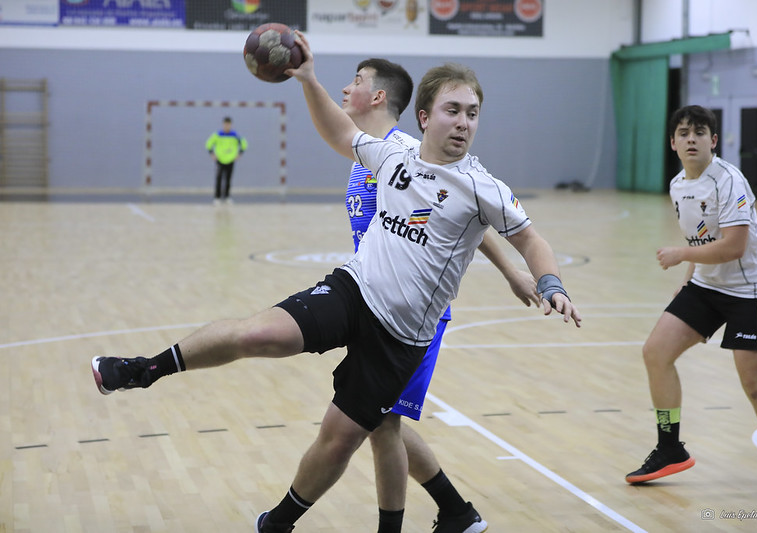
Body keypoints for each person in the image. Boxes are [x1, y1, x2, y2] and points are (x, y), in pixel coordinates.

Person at [91, 32, 581, 533]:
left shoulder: (482, 187)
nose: (463, 122)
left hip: (403, 334)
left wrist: (548, 283)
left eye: (472, 113)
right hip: (354, 290)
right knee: (260, 334)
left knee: (353, 434)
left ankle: (285, 523)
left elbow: (528, 238)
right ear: (425, 117)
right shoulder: (392, 156)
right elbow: (339, 132)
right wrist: (307, 79)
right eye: (453, 110)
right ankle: (145, 369)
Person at [341, 57, 541, 533]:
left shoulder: (409, 149)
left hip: (412, 313)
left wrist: (512, 271)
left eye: (356, 81)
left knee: (379, 421)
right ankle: (456, 512)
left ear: (378, 96)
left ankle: (451, 513)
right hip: (375, 302)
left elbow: (468, 210)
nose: (346, 89)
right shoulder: (367, 152)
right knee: (378, 420)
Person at [624, 105, 757, 501]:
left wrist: (682, 256)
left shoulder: (729, 180)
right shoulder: (678, 185)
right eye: (683, 133)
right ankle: (670, 448)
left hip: (749, 289)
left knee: (755, 384)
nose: (691, 139)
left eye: (699, 133)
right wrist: (688, 280)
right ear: (672, 143)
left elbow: (734, 246)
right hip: (706, 285)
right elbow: (701, 237)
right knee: (656, 353)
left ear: (713, 141)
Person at [205, 116, 247, 204]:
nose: (227, 126)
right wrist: (212, 153)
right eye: (225, 124)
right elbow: (208, 144)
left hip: (230, 159)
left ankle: (227, 197)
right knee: (219, 178)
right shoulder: (217, 135)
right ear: (223, 124)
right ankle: (217, 197)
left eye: (228, 124)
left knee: (228, 179)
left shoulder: (235, 135)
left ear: (231, 125)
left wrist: (240, 154)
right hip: (220, 159)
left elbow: (244, 144)